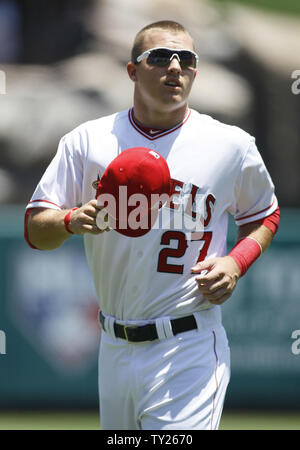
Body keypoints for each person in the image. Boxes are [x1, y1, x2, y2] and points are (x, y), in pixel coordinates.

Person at [25, 20, 280, 430]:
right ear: (132, 71)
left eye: (187, 60)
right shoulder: (88, 141)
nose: (175, 68)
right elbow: (36, 228)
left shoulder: (230, 145)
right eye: (160, 57)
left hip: (189, 345)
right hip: (113, 347)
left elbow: (264, 214)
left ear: (196, 72)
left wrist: (236, 262)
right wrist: (71, 221)